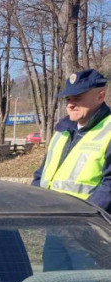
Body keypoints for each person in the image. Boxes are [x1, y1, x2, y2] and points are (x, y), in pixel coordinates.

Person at [32, 68, 110, 270]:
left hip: (90, 233)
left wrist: (82, 220)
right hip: (56, 229)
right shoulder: (62, 131)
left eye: (78, 98)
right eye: (68, 99)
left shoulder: (108, 130)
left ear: (100, 96)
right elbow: (42, 175)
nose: (70, 104)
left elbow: (109, 187)